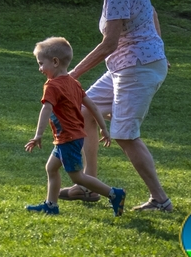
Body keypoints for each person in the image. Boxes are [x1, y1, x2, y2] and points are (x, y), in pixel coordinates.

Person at [59, 0, 172, 212]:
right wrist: (159, 47)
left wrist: (72, 75)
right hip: (127, 66)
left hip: (138, 69)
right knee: (85, 109)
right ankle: (88, 185)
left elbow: (108, 44)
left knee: (124, 134)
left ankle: (160, 200)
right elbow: (152, 11)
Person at [24, 36, 126, 217]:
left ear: (55, 62)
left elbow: (46, 109)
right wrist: (103, 127)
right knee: (51, 168)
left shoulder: (52, 85)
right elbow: (92, 105)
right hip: (73, 136)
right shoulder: (73, 82)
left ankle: (114, 193)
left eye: (41, 64)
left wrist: (38, 134)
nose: (40, 68)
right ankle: (51, 205)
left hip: (67, 138)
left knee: (77, 176)